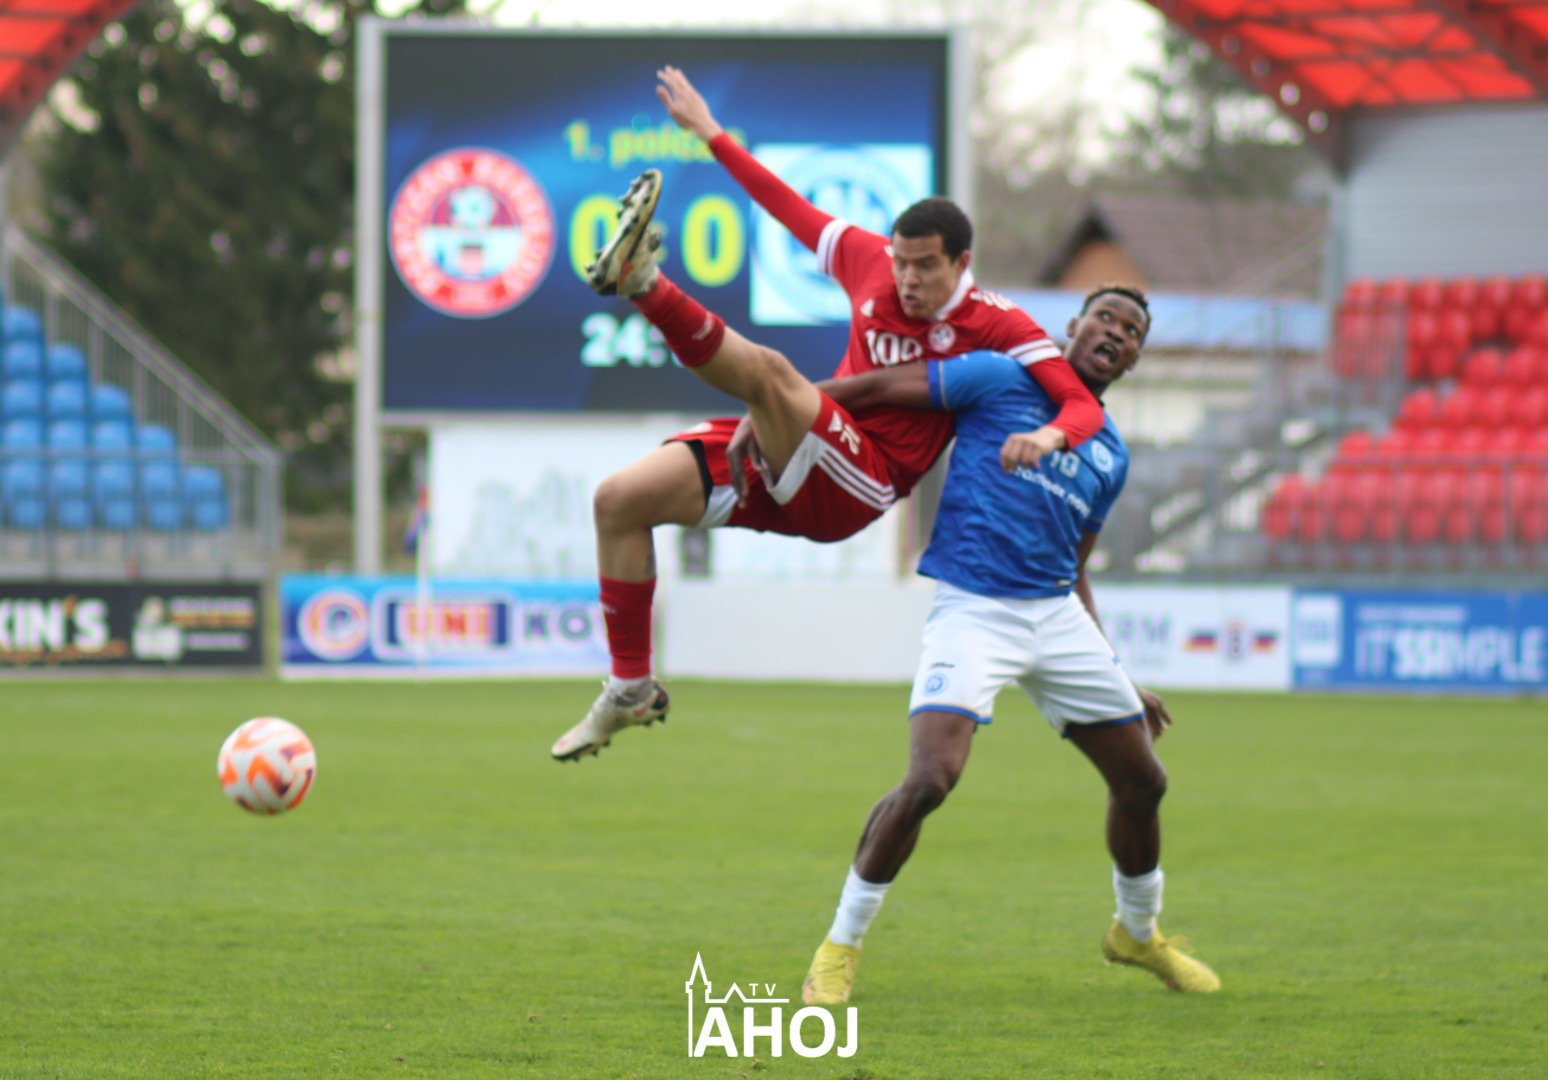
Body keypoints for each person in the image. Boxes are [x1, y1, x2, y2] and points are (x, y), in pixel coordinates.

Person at [549, 66, 1106, 762]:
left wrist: (1049, 436)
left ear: (962, 262)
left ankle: (643, 283)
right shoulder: (867, 260)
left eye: (925, 267)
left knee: (770, 374)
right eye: (901, 262)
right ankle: (630, 687)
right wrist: (711, 132)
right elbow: (781, 202)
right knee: (619, 500)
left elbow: (1080, 404)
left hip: (861, 482)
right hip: (797, 449)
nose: (906, 278)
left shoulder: (999, 324)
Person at [797, 284, 1222, 1001]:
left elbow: (1075, 567)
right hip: (975, 608)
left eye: (1131, 331)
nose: (1116, 333)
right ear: (1073, 326)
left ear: (1135, 358)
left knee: (1145, 781)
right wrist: (776, 406)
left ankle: (1137, 935)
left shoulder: (1109, 453)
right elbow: (873, 387)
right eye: (1105, 318)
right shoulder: (999, 377)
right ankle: (840, 944)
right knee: (930, 780)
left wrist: (1116, 672)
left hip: (1055, 615)